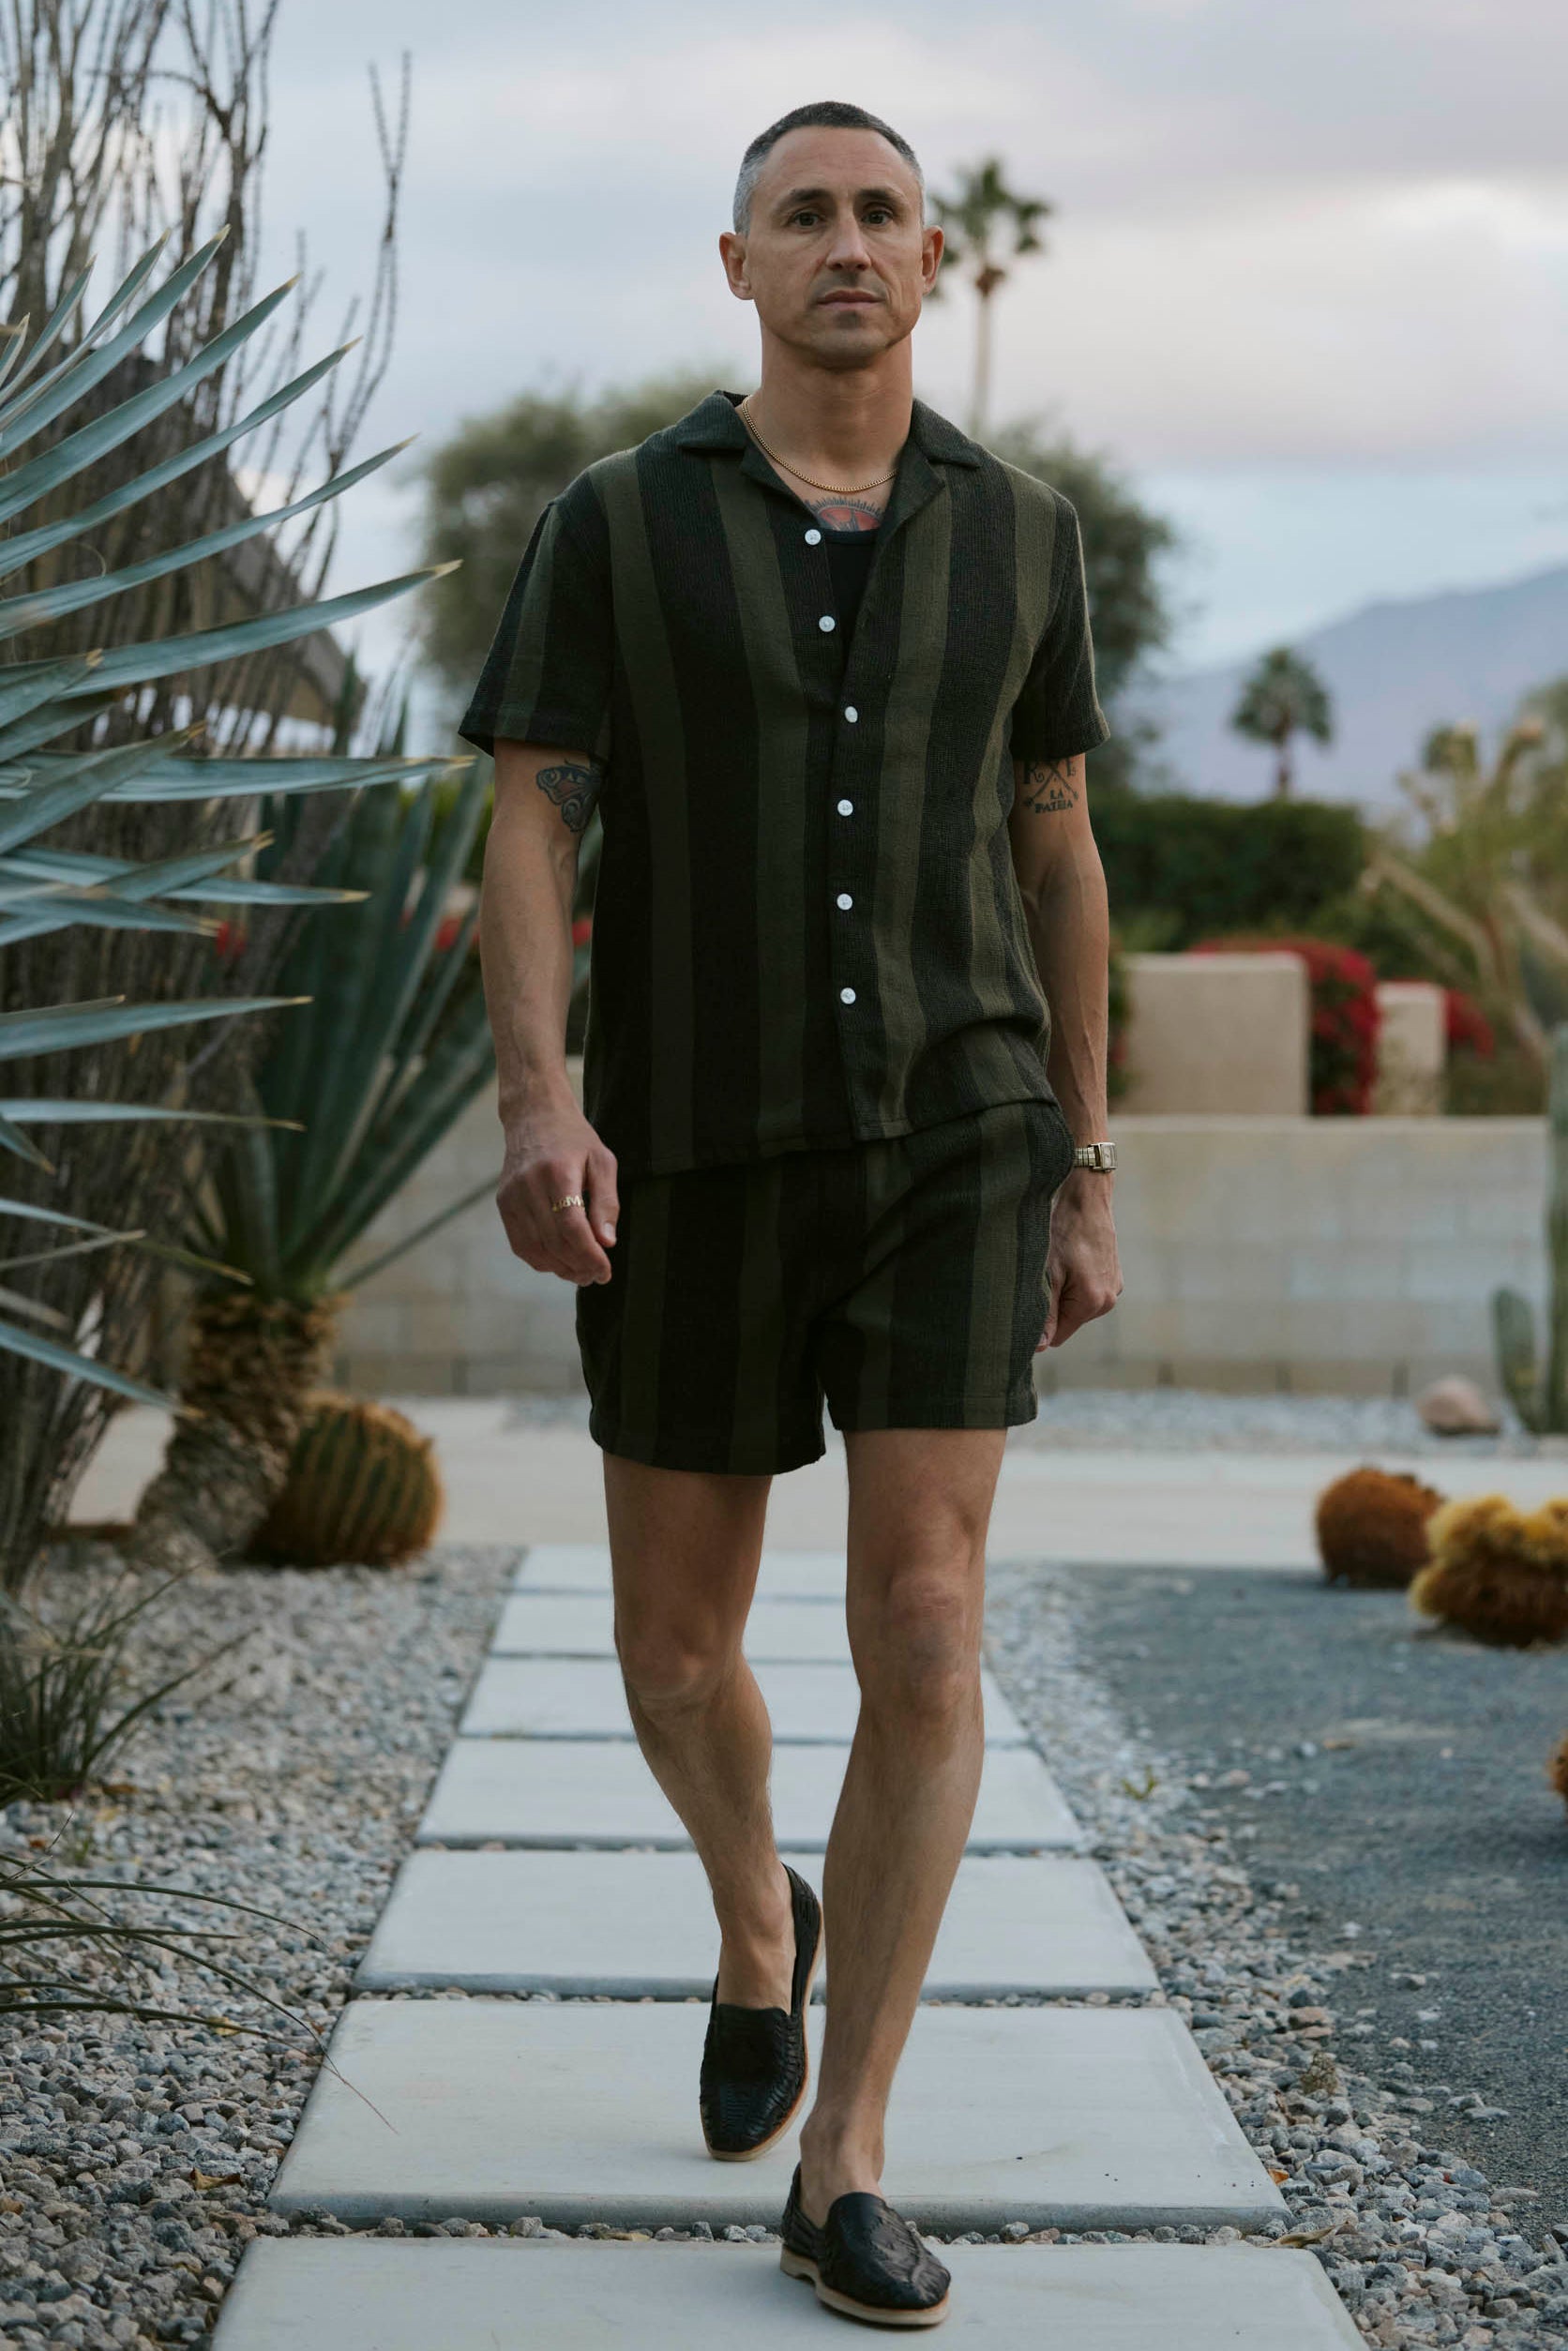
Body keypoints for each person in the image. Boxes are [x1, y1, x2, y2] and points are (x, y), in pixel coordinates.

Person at [461, 97, 1122, 2330]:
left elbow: (1054, 851)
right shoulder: (614, 527)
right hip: (690, 1143)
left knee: (925, 1631)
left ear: (929, 265)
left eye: (879, 215)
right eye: (801, 215)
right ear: (733, 265)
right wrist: (541, 1101)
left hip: (953, 1133)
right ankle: (756, 1913)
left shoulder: (1020, 536)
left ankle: (842, 2152)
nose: (845, 245)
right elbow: (534, 826)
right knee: (672, 1656)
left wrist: (1084, 1152)